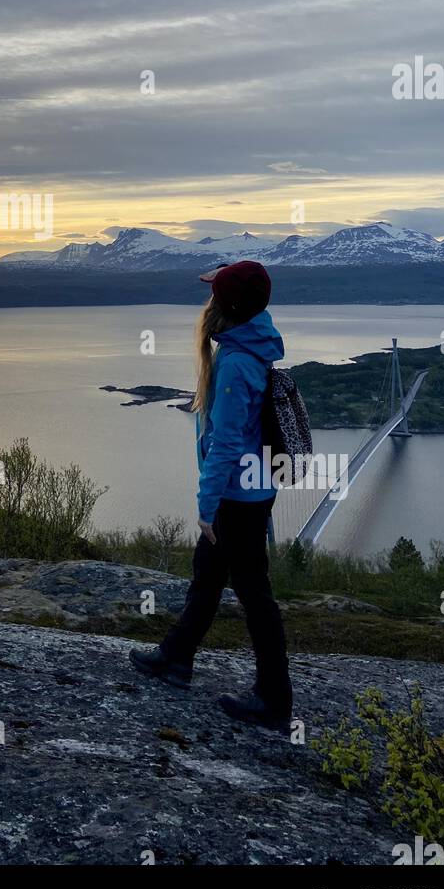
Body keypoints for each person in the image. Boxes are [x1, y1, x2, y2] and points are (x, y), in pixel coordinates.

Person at [130, 259, 293, 730]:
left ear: (225, 307)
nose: (207, 302)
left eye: (214, 295)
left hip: (236, 500)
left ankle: (274, 700)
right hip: (248, 492)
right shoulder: (252, 343)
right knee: (207, 577)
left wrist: (207, 505)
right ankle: (176, 657)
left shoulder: (236, 361)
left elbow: (225, 443)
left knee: (254, 595)